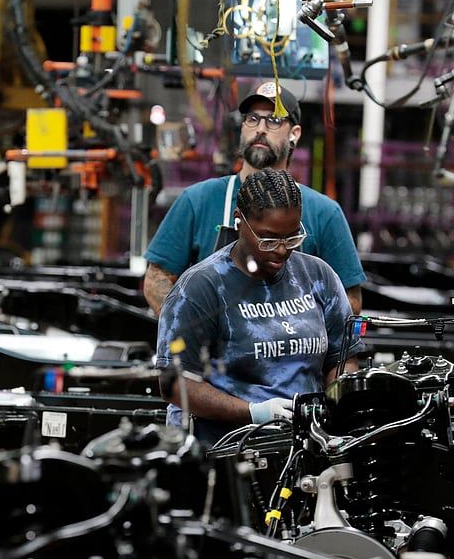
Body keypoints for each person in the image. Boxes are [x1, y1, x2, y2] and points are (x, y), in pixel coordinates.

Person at [154, 168, 354, 445]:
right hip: (227, 450)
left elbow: (342, 358)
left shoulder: (318, 277)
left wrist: (333, 410)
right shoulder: (202, 288)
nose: (281, 250)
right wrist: (252, 412)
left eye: (292, 238)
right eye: (268, 239)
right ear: (239, 220)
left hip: (305, 448)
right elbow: (174, 384)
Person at [143, 81, 366, 315]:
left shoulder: (324, 213)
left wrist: (305, 328)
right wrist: (190, 325)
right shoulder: (197, 200)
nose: (260, 128)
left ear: (294, 134)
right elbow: (157, 278)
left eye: (274, 120)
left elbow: (350, 298)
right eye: (252, 118)